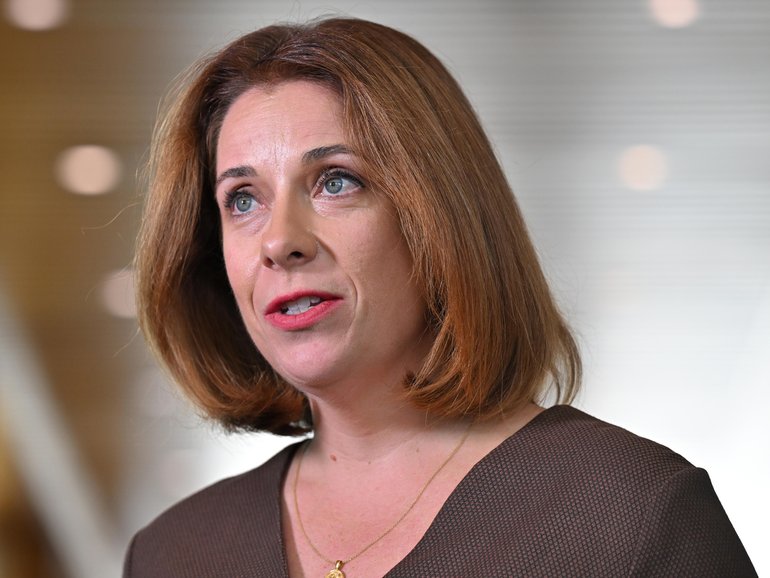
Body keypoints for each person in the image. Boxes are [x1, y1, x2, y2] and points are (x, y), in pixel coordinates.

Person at [124, 17, 756, 578]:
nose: (280, 241)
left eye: (336, 182)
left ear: (438, 217)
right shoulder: (174, 553)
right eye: (243, 199)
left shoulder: (630, 515)